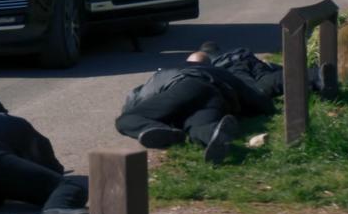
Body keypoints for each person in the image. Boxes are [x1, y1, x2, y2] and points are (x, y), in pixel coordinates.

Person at [115, 52, 275, 164]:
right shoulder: (220, 71)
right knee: (199, 125)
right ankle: (212, 134)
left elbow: (135, 100)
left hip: (186, 87)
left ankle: (163, 131)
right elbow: (258, 100)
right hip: (217, 96)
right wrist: (258, 109)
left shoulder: (168, 71)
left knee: (126, 119)